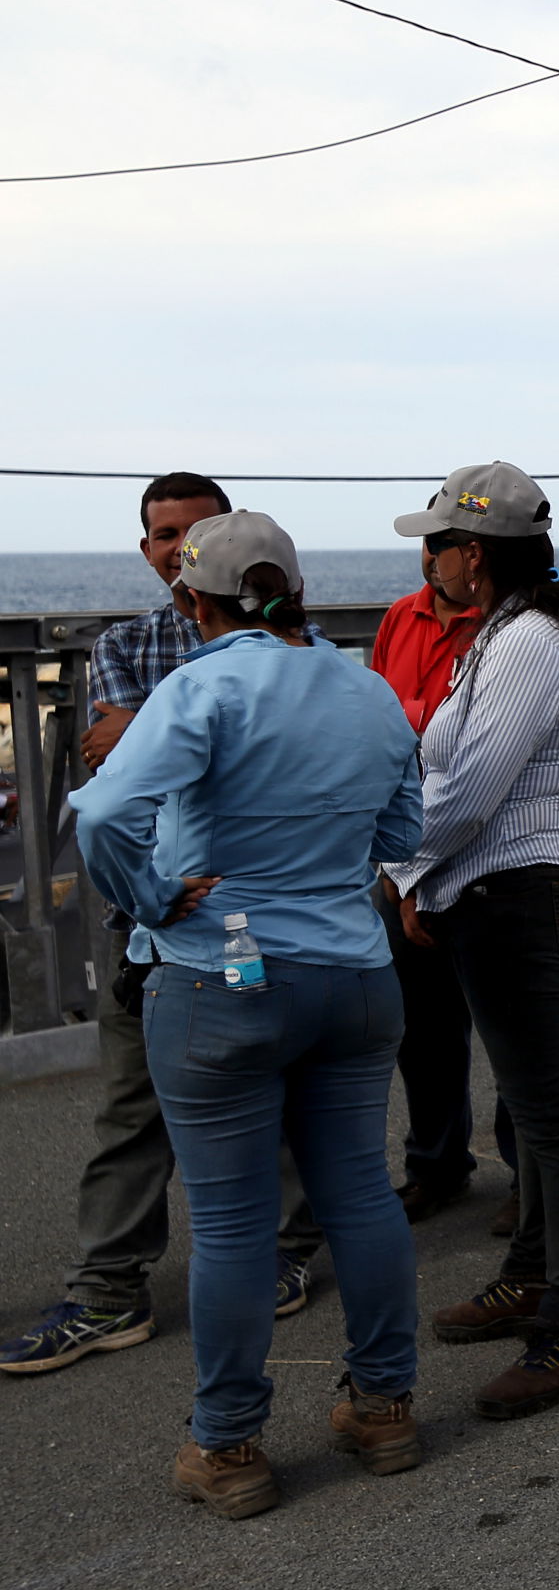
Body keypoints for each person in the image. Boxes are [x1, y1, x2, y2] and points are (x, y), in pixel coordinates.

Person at [68, 513, 426, 1519]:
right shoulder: (366, 689)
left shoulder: (201, 684)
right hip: (354, 975)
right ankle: (384, 1404)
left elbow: (99, 813)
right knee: (361, 1195)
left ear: (193, 603)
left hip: (222, 973)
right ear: (296, 589)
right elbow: (406, 829)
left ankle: (230, 1448)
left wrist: (147, 894)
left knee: (230, 1227)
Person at [0, 474, 324, 1380]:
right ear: (145, 549)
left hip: (243, 924)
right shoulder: (126, 643)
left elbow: (160, 753)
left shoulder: (284, 643)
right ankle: (109, 1288)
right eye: (159, 534)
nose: (174, 547)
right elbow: (113, 762)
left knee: (271, 1077)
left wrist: (154, 728)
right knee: (130, 1101)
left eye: (192, 531)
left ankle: (286, 1247)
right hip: (144, 912)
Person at [388, 462, 559, 1420]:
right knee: (533, 1114)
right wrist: (421, 874)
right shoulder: (510, 633)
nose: (427, 558)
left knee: (554, 1118)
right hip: (498, 894)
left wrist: (398, 864)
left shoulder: (524, 643)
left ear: (472, 556)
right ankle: (534, 1274)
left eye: (437, 542)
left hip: (521, 897)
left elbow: (468, 789)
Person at [366, 542, 492, 1223]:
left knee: (507, 1021)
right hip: (402, 850)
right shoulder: (398, 619)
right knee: (423, 1024)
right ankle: (437, 1164)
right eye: (428, 546)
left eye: (442, 546)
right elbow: (381, 727)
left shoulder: (505, 628)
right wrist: (398, 869)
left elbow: (473, 756)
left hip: (479, 847)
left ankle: (528, 1174)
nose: (430, 559)